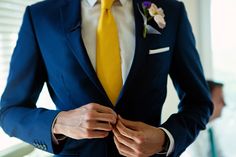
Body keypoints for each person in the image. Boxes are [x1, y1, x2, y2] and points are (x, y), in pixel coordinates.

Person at [0, 0, 213, 156]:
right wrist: (59, 122)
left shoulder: (171, 12)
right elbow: (9, 112)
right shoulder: (41, 17)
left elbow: (199, 102)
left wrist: (165, 138)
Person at [181, 80, 225, 157]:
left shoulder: (210, 129)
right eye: (220, 99)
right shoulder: (191, 132)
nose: (224, 104)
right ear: (207, 100)